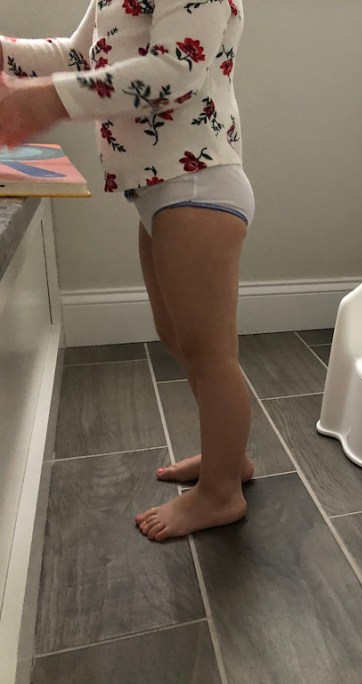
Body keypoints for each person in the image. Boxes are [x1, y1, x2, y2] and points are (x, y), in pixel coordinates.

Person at [0, 0, 255, 542]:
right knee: (180, 339)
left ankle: (221, 491)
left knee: (210, 353)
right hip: (161, 190)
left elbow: (175, 70)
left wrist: (48, 101)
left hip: (197, 183)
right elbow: (74, 54)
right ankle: (227, 458)